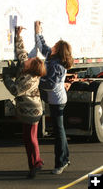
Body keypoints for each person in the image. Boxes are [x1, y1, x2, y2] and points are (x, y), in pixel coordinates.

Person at [3, 26, 46, 178]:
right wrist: (18, 35)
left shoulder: (29, 79)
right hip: (28, 111)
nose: (28, 58)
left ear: (32, 66)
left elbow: (14, 90)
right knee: (27, 138)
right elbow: (22, 52)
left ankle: (36, 164)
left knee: (31, 138)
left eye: (31, 60)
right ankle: (34, 164)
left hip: (32, 112)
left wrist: (6, 76)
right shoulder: (25, 67)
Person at [35, 21, 74, 175]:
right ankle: (65, 158)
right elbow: (44, 48)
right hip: (56, 99)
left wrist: (37, 80)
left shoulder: (57, 65)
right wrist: (38, 33)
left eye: (55, 45)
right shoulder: (52, 57)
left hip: (57, 101)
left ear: (58, 50)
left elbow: (50, 84)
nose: (52, 46)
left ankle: (61, 162)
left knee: (59, 132)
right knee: (60, 130)